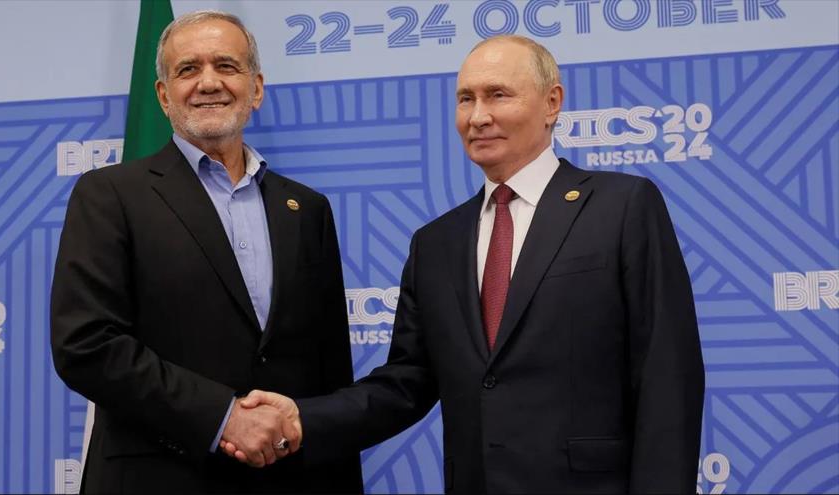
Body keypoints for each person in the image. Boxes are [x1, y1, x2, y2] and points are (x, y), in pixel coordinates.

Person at [228, 35, 705, 493]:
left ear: (552, 103)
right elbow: (405, 385)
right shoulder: (435, 244)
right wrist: (300, 418)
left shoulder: (621, 207)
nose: (478, 116)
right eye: (465, 99)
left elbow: (668, 377)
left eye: (498, 95)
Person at [50, 10, 361, 494]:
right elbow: (87, 346)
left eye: (227, 66)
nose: (208, 82)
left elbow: (330, 371)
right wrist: (223, 417)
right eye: (188, 69)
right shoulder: (109, 195)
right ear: (163, 95)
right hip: (159, 478)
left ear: (256, 88)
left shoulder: (306, 209)